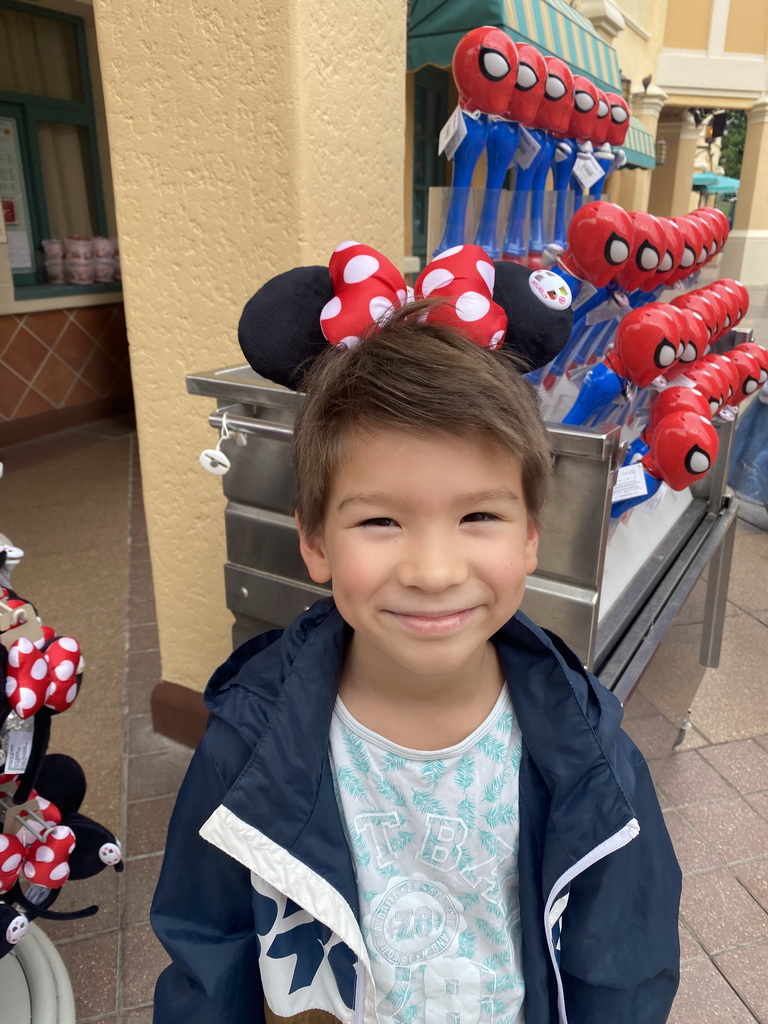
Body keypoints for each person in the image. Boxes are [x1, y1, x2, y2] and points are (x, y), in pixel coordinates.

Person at [151, 301, 681, 1024]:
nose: (433, 571)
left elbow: (624, 963)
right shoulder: (248, 748)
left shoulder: (588, 756)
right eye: (380, 521)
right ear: (314, 542)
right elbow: (208, 954)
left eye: (478, 518)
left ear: (530, 537)